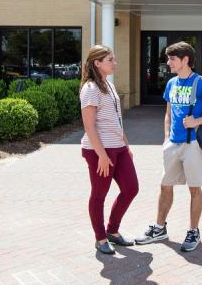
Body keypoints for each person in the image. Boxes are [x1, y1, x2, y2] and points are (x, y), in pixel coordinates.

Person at [135, 41, 202, 252]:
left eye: (172, 59)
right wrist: (166, 137)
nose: (168, 63)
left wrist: (196, 122)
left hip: (193, 145)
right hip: (173, 144)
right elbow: (168, 113)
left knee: (194, 188)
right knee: (165, 185)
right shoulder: (172, 84)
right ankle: (159, 228)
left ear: (185, 60)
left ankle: (193, 231)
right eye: (168, 59)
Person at [79, 45, 139, 254]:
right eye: (110, 60)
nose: (115, 63)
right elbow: (89, 126)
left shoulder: (109, 85)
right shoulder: (90, 89)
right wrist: (102, 155)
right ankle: (101, 238)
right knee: (99, 194)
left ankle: (112, 230)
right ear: (97, 63)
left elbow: (116, 120)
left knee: (131, 188)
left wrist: (126, 145)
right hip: (99, 150)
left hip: (118, 148)